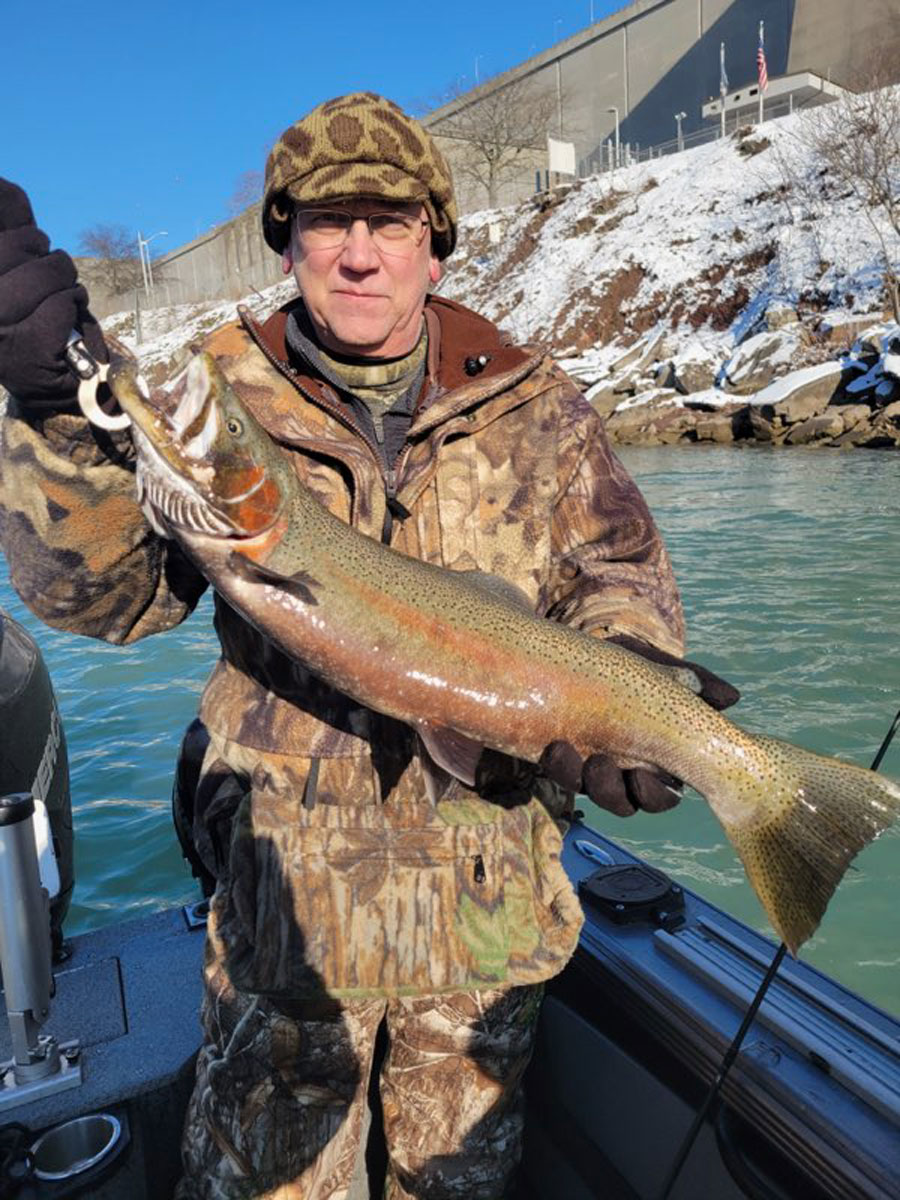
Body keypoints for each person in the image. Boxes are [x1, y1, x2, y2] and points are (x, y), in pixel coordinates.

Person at [0, 92, 737, 1199]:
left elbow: (619, 585)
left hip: (486, 936)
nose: (356, 253)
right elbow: (107, 603)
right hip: (283, 940)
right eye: (325, 222)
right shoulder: (213, 396)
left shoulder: (544, 412)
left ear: (435, 247)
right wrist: (59, 412)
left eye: (389, 222)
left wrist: (622, 699)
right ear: (287, 243)